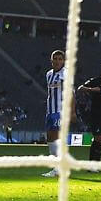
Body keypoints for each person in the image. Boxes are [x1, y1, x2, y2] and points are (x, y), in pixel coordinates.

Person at [41, 49, 66, 178]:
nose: (57, 61)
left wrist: (72, 111)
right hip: (50, 111)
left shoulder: (65, 74)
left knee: (56, 140)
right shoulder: (49, 74)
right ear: (51, 61)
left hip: (60, 111)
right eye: (55, 59)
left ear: (63, 61)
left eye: (60, 59)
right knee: (50, 139)